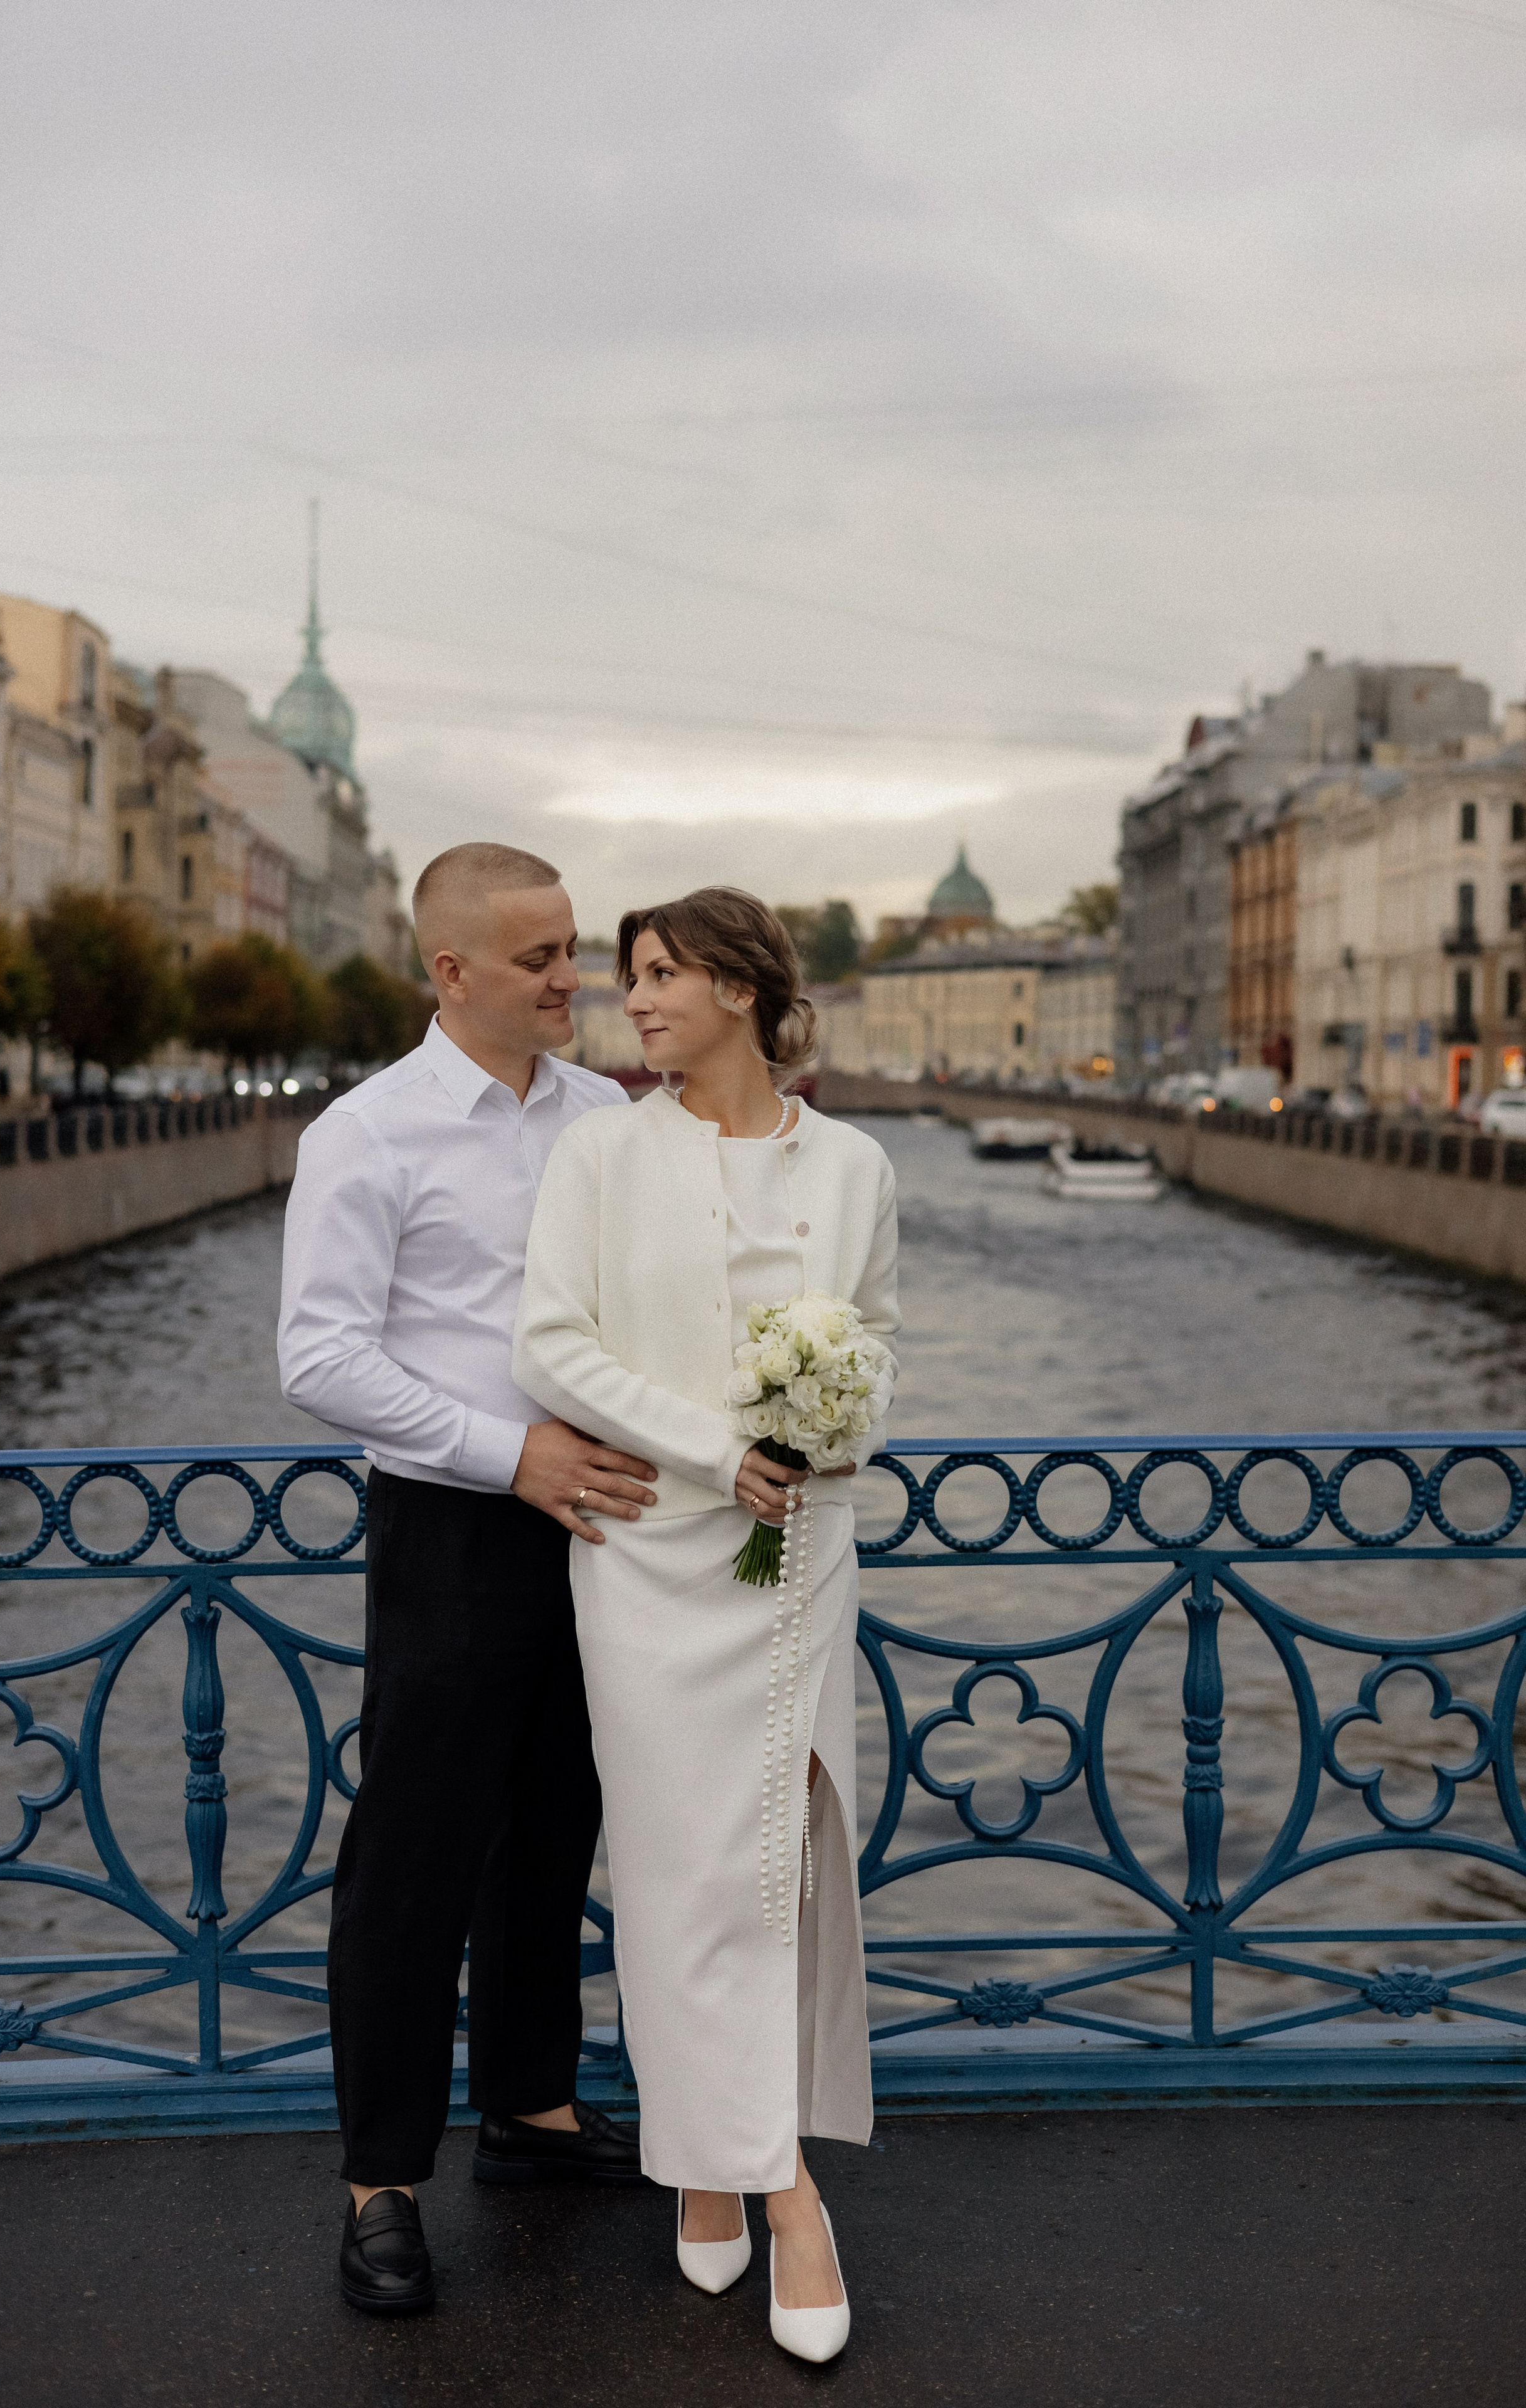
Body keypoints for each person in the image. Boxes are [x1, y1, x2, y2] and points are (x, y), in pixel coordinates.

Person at [514, 885, 899, 2365]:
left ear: (743, 989)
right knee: (681, 1872)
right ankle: (779, 2188)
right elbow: (550, 1339)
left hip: (801, 1553)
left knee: (783, 1859)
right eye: (630, 978)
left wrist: (829, 1432)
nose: (635, 1001)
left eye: (663, 974)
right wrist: (710, 1450)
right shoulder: (601, 1152)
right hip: (651, 1552)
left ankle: (707, 2159)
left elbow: (873, 1341)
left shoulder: (855, 1165)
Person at [278, 842, 659, 2318]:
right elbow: (318, 1357)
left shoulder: (607, 1116)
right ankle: (378, 2184)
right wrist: (511, 1456)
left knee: (558, 1820)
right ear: (451, 973)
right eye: (542, 959)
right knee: (411, 1865)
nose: (577, 980)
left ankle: (530, 2112)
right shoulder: (366, 1134)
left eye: (574, 950)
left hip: (604, 1519)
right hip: (452, 1527)